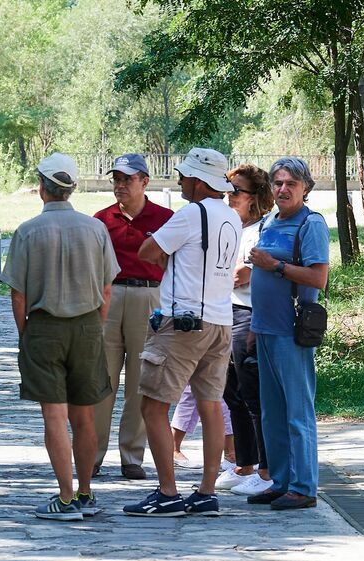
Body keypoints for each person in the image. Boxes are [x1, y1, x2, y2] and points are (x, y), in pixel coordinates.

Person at [121, 147, 241, 518]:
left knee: (152, 405)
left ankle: (168, 491)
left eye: (185, 176)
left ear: (198, 181)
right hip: (220, 321)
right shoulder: (232, 217)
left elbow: (147, 250)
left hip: (183, 322)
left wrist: (168, 252)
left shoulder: (192, 213)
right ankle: (206, 490)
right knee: (210, 405)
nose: (179, 181)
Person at [2, 153, 118, 521]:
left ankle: (65, 497)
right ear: (72, 189)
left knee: (54, 415)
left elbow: (17, 293)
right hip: (86, 325)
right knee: (84, 415)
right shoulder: (95, 229)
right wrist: (96, 325)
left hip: (43, 327)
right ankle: (84, 492)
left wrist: (26, 335)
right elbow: (107, 285)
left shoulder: (27, 231)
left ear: (41, 188)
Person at [246, 157, 330, 511]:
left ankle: (303, 486)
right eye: (277, 183)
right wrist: (253, 326)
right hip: (264, 328)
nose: (282, 189)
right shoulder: (269, 221)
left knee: (297, 412)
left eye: (290, 184)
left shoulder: (310, 224)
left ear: (305, 189)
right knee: (272, 413)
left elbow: (318, 279)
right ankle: (280, 481)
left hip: (291, 332)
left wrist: (275, 265)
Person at [90, 153, 173, 480]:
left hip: (149, 296)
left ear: (144, 182)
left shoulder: (164, 217)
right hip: (109, 295)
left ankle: (132, 456)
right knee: (101, 379)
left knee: (142, 378)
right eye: (116, 179)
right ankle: (92, 453)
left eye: (127, 179)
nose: (120, 185)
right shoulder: (101, 219)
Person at [217, 164, 274, 497]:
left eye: (237, 191)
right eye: (228, 190)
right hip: (225, 311)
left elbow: (241, 274)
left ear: (255, 197)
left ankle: (266, 470)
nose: (230, 196)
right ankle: (245, 463)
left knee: (253, 393)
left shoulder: (263, 229)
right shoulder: (229, 226)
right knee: (232, 392)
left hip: (248, 313)